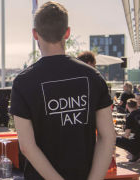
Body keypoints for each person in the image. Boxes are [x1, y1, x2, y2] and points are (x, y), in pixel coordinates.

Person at [10, 2, 116, 180]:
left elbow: (27, 146)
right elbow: (108, 137)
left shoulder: (22, 82)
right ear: (67, 32)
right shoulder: (93, 76)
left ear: (35, 34)